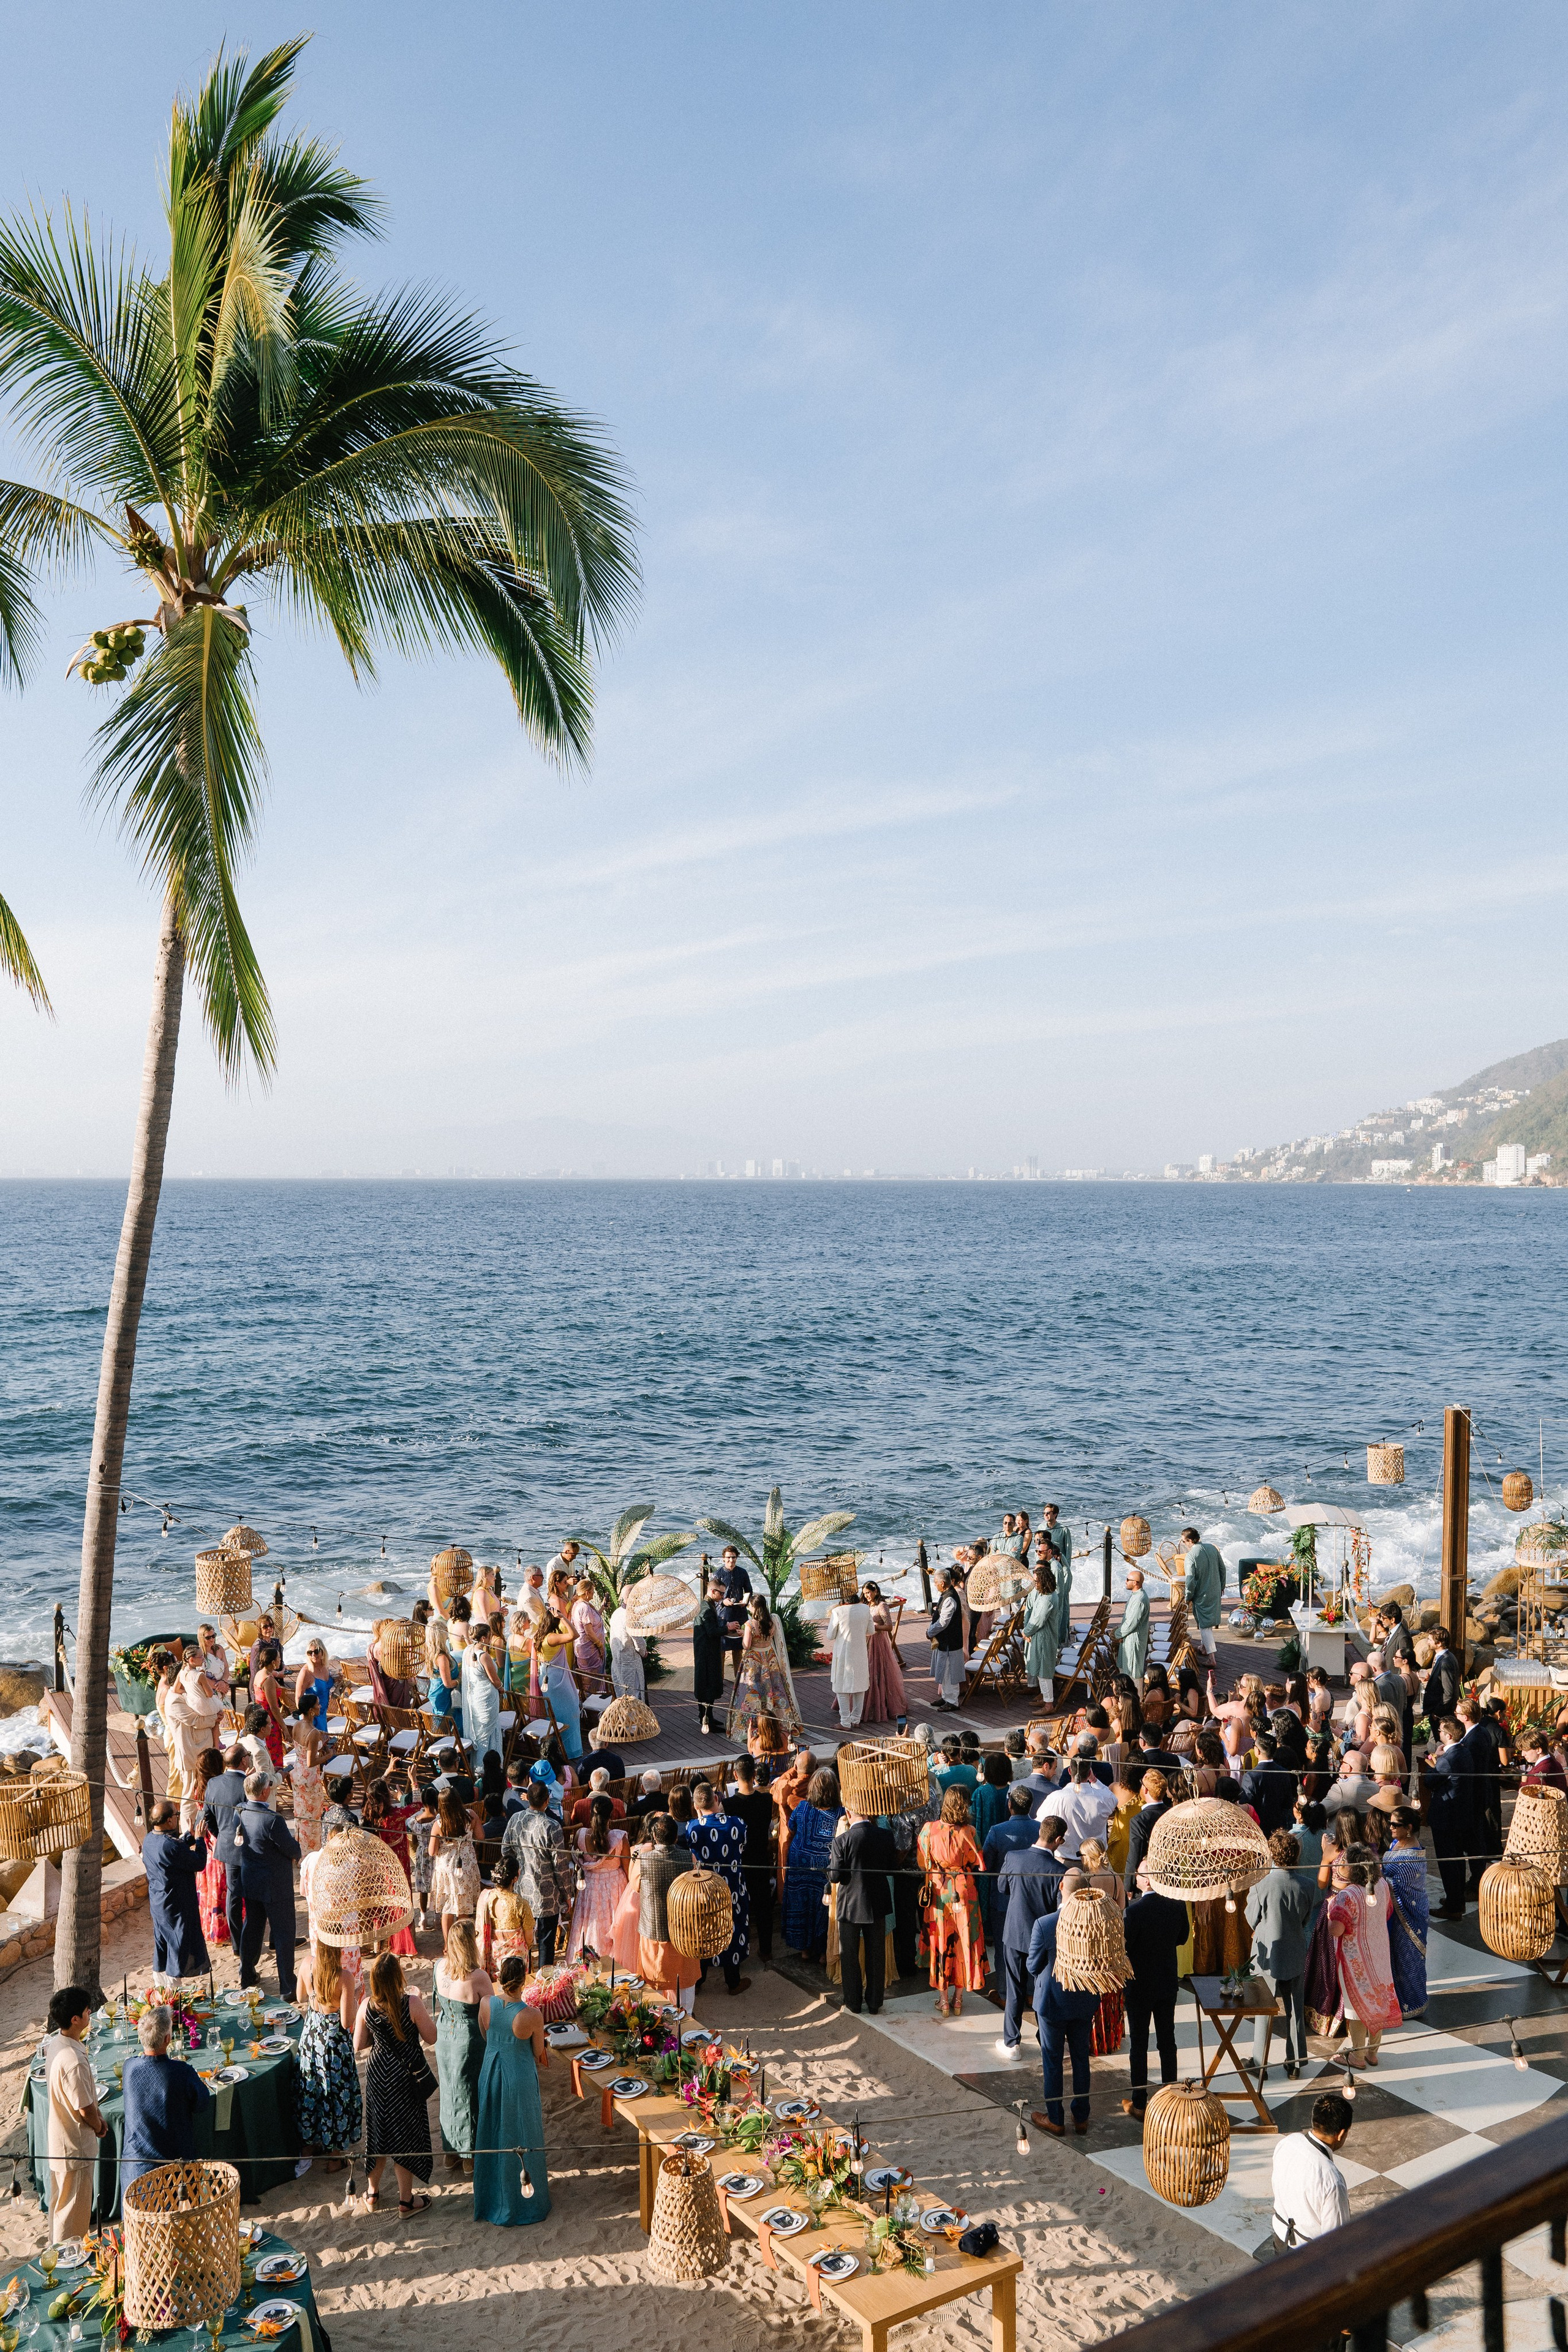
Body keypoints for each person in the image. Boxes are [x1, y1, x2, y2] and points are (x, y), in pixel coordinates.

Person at [355, 1950, 436, 2215]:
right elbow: (431, 2037)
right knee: (406, 2137)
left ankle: (372, 2195)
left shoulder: (367, 2005)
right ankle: (405, 2202)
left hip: (379, 2073)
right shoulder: (410, 2003)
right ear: (398, 1977)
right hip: (406, 2077)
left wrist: (379, 2038)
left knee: (378, 2135)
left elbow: (359, 2044)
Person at [473, 1953, 551, 2225]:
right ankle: (525, 2202)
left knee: (493, 2131)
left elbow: (486, 2035)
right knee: (522, 2131)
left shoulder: (486, 2004)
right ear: (523, 1982)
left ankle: (491, 2197)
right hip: (518, 2077)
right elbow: (538, 2051)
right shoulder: (531, 2015)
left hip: (491, 2071)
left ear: (500, 1977)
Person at [1028, 1882, 1100, 2136]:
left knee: (1052, 2059)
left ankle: (1056, 2118)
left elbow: (1033, 1965)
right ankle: (1081, 2117)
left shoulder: (1045, 1924)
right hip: (1083, 2000)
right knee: (1081, 2058)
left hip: (1052, 2002)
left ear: (1061, 1887)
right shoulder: (1095, 1923)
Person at [993, 1815, 1068, 2059]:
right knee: (1042, 1989)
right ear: (1058, 1840)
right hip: (1044, 1939)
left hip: (1014, 1933)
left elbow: (1003, 1888)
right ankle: (1045, 2039)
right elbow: (1060, 1911)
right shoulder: (1060, 1871)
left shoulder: (1014, 1858)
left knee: (1014, 1988)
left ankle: (1012, 2043)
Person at [1245, 1829, 1313, 2081]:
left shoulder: (1261, 1883)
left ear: (1272, 1854)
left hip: (1268, 1955)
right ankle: (1295, 2063)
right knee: (1295, 2008)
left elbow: (1252, 1920)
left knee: (1264, 2009)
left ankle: (1260, 2064)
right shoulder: (1307, 1885)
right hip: (1295, 1951)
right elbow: (1305, 1920)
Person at [1120, 1862, 1187, 2116]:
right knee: (1167, 2040)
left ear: (1148, 1880)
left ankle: (1139, 2102)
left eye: (1139, 1871)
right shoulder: (1177, 1905)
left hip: (1139, 1987)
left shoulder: (1135, 1912)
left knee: (1139, 2044)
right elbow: (1182, 1938)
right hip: (1166, 1983)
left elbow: (1126, 1947)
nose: (1136, 1875)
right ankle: (1170, 2096)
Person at [123, 2003, 213, 2187]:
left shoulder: (128, 2067)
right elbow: (202, 2103)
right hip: (175, 2174)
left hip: (136, 2171)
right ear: (168, 2039)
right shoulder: (181, 2072)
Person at [1327, 1842, 1400, 2065]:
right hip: (1380, 1954)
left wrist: (1331, 1909)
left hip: (1355, 1959)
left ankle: (1358, 2056)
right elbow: (1387, 1911)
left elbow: (1336, 1930)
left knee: (1355, 2006)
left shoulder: (1347, 1896)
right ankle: (1372, 2053)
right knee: (1379, 2002)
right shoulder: (1382, 1886)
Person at [230, 1771, 301, 1999]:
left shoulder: (239, 1811)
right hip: (275, 1886)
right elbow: (292, 1849)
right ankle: (287, 1985)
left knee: (252, 1929)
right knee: (283, 1933)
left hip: (252, 1881)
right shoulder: (273, 1820)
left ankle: (247, 1975)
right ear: (265, 1791)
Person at [43, 1987, 105, 2241]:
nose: (90, 2012)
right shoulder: (73, 2060)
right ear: (75, 2019)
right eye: (86, 2010)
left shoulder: (56, 2043)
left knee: (61, 2208)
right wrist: (99, 2126)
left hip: (60, 2143)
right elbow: (85, 2108)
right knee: (73, 2217)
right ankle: (66, 2264)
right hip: (75, 2148)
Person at [918, 1786, 986, 2018]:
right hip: (965, 1892)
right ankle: (959, 1999)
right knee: (963, 1943)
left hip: (939, 1892)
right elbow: (976, 1862)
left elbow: (922, 1862)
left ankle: (944, 2001)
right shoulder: (970, 1832)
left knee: (942, 1944)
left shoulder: (929, 1830)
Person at [680, 1779, 752, 1994]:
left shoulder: (692, 1828)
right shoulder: (738, 1823)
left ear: (696, 1806)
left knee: (704, 1929)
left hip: (705, 1890)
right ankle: (733, 1981)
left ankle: (700, 1980)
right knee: (733, 1926)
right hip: (732, 1887)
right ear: (717, 1800)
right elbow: (743, 1847)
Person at [295, 1940, 360, 2170]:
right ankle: (334, 2156)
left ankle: (309, 2145)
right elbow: (346, 2021)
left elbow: (301, 1997)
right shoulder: (344, 1977)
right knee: (336, 2095)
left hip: (312, 2037)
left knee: (311, 2091)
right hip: (334, 2045)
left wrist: (315, 1994)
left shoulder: (306, 1964)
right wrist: (354, 1998)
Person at [434, 1918, 492, 2174]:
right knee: (470, 2096)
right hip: (468, 2041)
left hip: (444, 2036)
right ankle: (469, 2157)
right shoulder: (478, 1977)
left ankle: (450, 2154)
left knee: (449, 2093)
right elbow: (491, 2015)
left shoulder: (438, 1968)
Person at [827, 1797, 895, 2016]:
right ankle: (875, 2002)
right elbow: (892, 1868)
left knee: (849, 1956)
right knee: (876, 1955)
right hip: (877, 1902)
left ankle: (853, 2002)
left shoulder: (842, 1840)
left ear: (849, 1812)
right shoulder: (885, 1836)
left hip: (850, 1904)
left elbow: (835, 1876)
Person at [631, 1813, 700, 2007]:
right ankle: (686, 2024)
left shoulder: (643, 1861)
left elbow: (635, 1886)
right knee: (685, 1988)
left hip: (653, 1930)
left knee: (653, 1988)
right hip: (683, 1933)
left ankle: (656, 2026)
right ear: (676, 1837)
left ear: (654, 1837)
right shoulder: (689, 1858)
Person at [503, 1780, 573, 1965]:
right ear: (547, 1801)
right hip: (546, 1895)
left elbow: (505, 1851)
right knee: (545, 1943)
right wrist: (567, 1895)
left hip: (521, 1890)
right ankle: (544, 1983)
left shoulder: (515, 1819)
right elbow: (560, 1866)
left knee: (522, 1942)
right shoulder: (552, 1826)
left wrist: (518, 1868)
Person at [1272, 2091, 1354, 2247]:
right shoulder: (1332, 2180)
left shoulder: (1287, 2142)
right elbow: (1336, 2240)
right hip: (1309, 2253)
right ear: (1341, 2134)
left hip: (1280, 2239)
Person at [782, 1766, 843, 1963]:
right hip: (825, 1868)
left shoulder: (802, 1808)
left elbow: (791, 1827)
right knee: (823, 1908)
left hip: (800, 1863)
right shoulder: (840, 1812)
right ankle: (824, 1953)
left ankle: (805, 1950)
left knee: (802, 1904)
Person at [143, 1799, 210, 1979]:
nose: (177, 1817)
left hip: (159, 1904)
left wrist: (189, 1835)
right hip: (177, 1906)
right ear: (170, 1821)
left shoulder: (149, 1839)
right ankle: (172, 1989)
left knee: (163, 1944)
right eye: (176, 1814)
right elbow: (198, 1863)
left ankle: (162, 1983)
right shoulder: (171, 1846)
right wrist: (200, 1839)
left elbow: (173, 1852)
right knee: (178, 1946)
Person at [726, 1754, 778, 1965]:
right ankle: (766, 1950)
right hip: (760, 1857)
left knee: (738, 1907)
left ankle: (739, 1950)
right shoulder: (766, 1801)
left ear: (735, 1775)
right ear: (755, 1775)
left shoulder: (728, 1805)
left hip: (739, 1861)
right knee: (764, 1906)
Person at [728, 1595, 804, 1738]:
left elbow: (747, 1645)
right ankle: (780, 1724)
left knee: (751, 1692)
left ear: (755, 1607)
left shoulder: (750, 1624)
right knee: (775, 1690)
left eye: (750, 1605)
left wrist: (744, 1635)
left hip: (754, 1661)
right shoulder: (771, 1622)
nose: (748, 1608)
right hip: (770, 1658)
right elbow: (765, 1637)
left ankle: (750, 1727)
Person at [567, 1793, 631, 1960]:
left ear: (591, 1814)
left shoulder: (580, 1835)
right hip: (614, 1888)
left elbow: (575, 1859)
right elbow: (628, 1870)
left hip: (590, 1887)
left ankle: (587, 1961)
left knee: (589, 1926)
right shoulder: (620, 1838)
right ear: (611, 1815)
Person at [163, 1660, 226, 1830]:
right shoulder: (174, 1700)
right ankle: (188, 1832)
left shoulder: (183, 1696)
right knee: (190, 1796)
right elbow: (196, 1721)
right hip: (190, 1755)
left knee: (203, 1792)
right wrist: (215, 1718)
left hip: (201, 1752)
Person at [1382, 1806, 1429, 2018]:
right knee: (1395, 1957)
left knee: (1408, 1958)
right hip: (1396, 1914)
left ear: (1409, 1828)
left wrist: (1378, 1877)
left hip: (1410, 1914)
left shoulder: (1412, 1858)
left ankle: (1413, 2003)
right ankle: (1397, 1999)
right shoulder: (1396, 1844)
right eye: (1390, 1823)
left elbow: (1396, 1886)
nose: (1390, 1828)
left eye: (1396, 1825)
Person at [1426, 1715, 1474, 1918]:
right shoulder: (1464, 1752)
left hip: (1447, 1818)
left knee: (1448, 1862)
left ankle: (1454, 1907)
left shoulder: (1447, 1759)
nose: (1439, 1734)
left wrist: (1434, 1761)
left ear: (1448, 1735)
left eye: (1440, 1732)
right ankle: (1456, 1899)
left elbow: (1430, 1782)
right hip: (1460, 1814)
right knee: (1457, 1861)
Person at [1039, 1752, 1117, 1859]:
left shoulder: (1057, 1798)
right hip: (1096, 1862)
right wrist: (1094, 1780)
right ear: (1090, 1772)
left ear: (1070, 1771)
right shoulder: (1103, 1798)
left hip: (1067, 1861)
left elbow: (1040, 1820)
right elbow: (1113, 1799)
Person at [430, 1789, 481, 1936]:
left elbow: (432, 1851)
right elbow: (481, 1836)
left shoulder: (439, 1824)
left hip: (447, 1868)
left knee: (448, 1908)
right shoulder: (471, 1816)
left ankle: (447, 1944)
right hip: (466, 1865)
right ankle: (462, 1942)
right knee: (463, 1908)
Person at [476, 1849, 535, 1975]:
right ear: (515, 1879)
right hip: (515, 1962)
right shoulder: (520, 1903)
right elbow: (529, 1939)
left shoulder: (486, 1897)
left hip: (492, 1958)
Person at [461, 1619, 506, 1770]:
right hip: (486, 1699)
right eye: (490, 1636)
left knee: (484, 1731)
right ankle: (484, 1768)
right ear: (483, 1638)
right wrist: (502, 1689)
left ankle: (483, 1766)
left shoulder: (467, 1650)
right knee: (486, 1734)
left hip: (475, 1698)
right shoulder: (483, 1656)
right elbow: (494, 1679)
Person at [861, 1581, 907, 1727]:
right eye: (865, 1593)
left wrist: (876, 1627)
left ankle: (884, 1704)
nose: (867, 1596)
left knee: (878, 1670)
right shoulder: (866, 1605)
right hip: (866, 1641)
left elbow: (889, 1626)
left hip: (878, 1642)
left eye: (869, 1593)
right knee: (867, 1671)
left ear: (875, 1591)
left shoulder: (882, 1606)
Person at [828, 1588, 872, 1730]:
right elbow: (871, 1631)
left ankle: (845, 1722)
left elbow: (830, 1635)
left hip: (844, 1653)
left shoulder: (838, 1612)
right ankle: (856, 1719)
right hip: (860, 1651)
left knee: (841, 1688)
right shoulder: (865, 1609)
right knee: (860, 1686)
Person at [1178, 1527, 1226, 1660]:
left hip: (1202, 1593)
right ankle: (1204, 1648)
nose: (1183, 1544)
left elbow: (1190, 1580)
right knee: (1208, 1622)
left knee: (1204, 1624)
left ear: (1189, 1541)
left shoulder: (1191, 1556)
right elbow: (1222, 1568)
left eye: (1183, 1542)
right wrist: (1222, 1585)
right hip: (1215, 1590)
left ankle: (1212, 1658)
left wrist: (1188, 1596)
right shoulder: (1211, 1548)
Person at [692, 1578, 728, 1737]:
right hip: (706, 1653)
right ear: (713, 1592)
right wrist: (727, 1628)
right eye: (721, 1593)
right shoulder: (706, 1609)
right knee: (707, 1685)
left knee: (708, 1684)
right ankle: (706, 1719)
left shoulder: (707, 1605)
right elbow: (712, 1631)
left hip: (707, 1652)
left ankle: (708, 1716)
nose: (722, 1596)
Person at [715, 1544, 755, 1684]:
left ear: (737, 1558)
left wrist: (745, 1600)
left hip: (740, 1613)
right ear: (723, 1559)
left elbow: (749, 1590)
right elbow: (712, 1595)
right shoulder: (718, 1574)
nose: (731, 1560)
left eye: (733, 1558)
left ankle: (739, 1680)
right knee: (722, 1648)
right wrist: (722, 1602)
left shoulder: (743, 1572)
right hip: (723, 1614)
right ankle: (719, 1679)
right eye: (728, 1558)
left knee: (738, 1647)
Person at [927, 1568, 964, 1711]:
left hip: (951, 1641)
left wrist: (930, 1632)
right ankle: (946, 1697)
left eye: (936, 1582)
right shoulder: (946, 1595)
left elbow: (943, 1622)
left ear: (943, 1583)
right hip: (946, 1641)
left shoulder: (949, 1599)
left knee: (950, 1672)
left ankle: (952, 1701)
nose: (935, 1584)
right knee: (944, 1670)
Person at [1422, 1629, 1463, 1735]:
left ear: (1439, 1643)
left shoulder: (1445, 1662)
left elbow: (1448, 1692)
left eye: (1430, 1640)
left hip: (1442, 1713)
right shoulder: (1446, 1657)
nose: (1428, 1642)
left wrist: (1437, 1713)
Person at [608, 1595, 647, 1701]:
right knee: (634, 1696)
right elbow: (639, 1642)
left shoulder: (616, 1613)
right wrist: (644, 1652)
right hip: (630, 1662)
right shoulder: (630, 1617)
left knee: (622, 1695)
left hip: (617, 1660)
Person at [1116, 1569, 1151, 1683]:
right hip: (1128, 1638)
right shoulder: (1136, 1596)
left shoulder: (1139, 1600)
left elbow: (1131, 1623)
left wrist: (1117, 1634)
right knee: (1126, 1669)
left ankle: (1136, 1698)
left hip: (1134, 1639)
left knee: (1133, 1671)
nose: (1126, 1582)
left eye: (1128, 1580)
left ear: (1135, 1583)